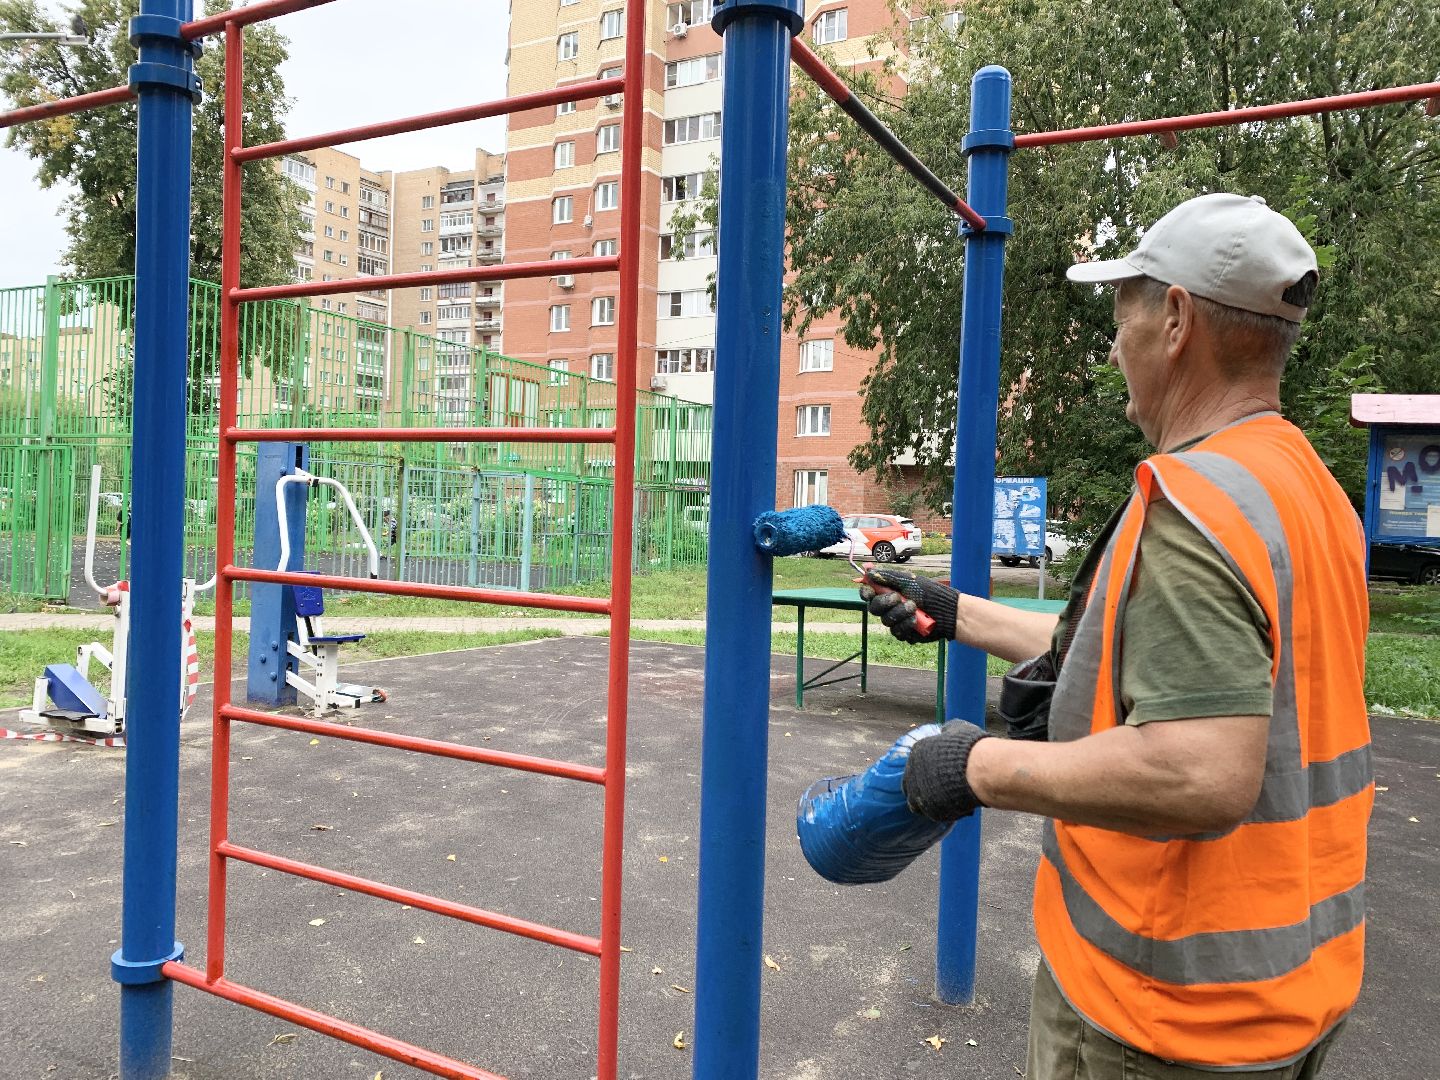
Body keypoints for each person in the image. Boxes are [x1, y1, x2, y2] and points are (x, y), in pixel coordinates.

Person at [859, 194, 1371, 1078]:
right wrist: (958, 612)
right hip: (1289, 982)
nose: (1111, 346)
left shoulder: (1195, 506)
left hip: (1164, 1010)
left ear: (1175, 320)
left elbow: (1199, 769)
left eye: (1121, 317)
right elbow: (1131, 657)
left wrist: (968, 767)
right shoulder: (1301, 486)